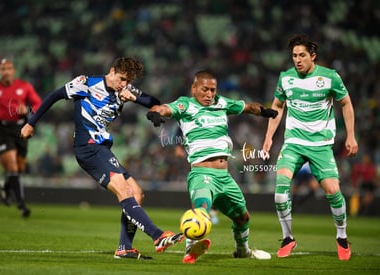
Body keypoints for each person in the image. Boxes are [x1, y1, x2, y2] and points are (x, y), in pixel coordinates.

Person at [20, 57, 183, 259]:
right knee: (124, 190)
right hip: (88, 146)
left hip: (102, 147)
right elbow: (54, 96)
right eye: (122, 79)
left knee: (137, 193)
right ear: (112, 71)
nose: (124, 84)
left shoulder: (126, 90)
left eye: (128, 81)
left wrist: (137, 100)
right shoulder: (86, 84)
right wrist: (31, 123)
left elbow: (154, 102)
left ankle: (125, 248)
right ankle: (158, 236)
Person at [146, 70, 277, 264]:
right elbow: (164, 108)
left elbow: (249, 107)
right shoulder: (186, 104)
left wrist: (263, 111)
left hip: (225, 176)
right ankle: (190, 250)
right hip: (202, 174)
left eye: (212, 90)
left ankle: (242, 250)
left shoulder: (221, 103)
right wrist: (155, 113)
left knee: (243, 217)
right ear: (194, 88)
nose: (209, 94)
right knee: (201, 210)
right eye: (205, 89)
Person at [261, 34, 358, 261]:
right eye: (294, 55)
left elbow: (346, 103)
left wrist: (351, 136)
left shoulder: (330, 77)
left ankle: (342, 238)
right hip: (293, 142)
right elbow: (277, 106)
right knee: (280, 190)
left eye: (302, 55)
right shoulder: (286, 78)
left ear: (313, 56)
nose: (297, 60)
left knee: (333, 192)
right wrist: (268, 137)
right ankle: (288, 238)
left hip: (321, 145)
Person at [0, 58, 42, 218]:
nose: (6, 71)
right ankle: (21, 205)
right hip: (2, 129)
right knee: (12, 165)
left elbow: (38, 104)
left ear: (13, 70)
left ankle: (5, 186)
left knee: (19, 167)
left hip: (21, 128)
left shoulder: (24, 87)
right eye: (3, 68)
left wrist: (26, 110)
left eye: (9, 68)